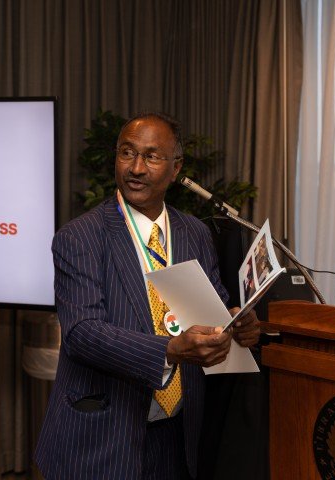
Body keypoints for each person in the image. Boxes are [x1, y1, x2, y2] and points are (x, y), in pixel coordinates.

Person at [35, 112, 260, 479]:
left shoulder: (194, 233)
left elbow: (212, 309)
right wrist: (168, 350)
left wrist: (237, 325)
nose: (136, 168)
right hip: (103, 437)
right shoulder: (80, 236)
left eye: (152, 156)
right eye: (127, 153)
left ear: (176, 168)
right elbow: (82, 333)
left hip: (178, 437)